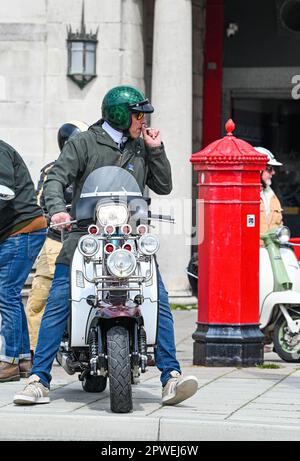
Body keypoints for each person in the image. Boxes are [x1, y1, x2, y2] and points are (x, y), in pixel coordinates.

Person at [14, 85, 199, 406]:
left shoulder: (141, 146)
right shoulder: (83, 143)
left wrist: (156, 149)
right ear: (120, 114)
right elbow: (57, 178)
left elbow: (164, 185)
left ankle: (171, 376)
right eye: (139, 114)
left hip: (131, 238)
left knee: (158, 295)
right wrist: (57, 208)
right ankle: (38, 379)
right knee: (60, 295)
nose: (144, 121)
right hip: (84, 235)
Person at [26, 121, 89, 353]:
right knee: (40, 298)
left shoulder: (95, 165)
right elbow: (41, 200)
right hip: (58, 238)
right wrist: (57, 212)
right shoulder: (53, 170)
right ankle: (33, 351)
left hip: (91, 239)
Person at [0, 141, 47, 382]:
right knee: (10, 294)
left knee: (5, 293)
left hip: (21, 231)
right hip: (19, 231)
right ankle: (23, 359)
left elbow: (3, 192)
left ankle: (8, 362)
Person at [254, 147, 283, 237]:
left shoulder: (272, 195)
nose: (273, 172)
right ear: (258, 170)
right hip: (253, 249)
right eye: (269, 168)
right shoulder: (245, 196)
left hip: (272, 247)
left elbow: (279, 225)